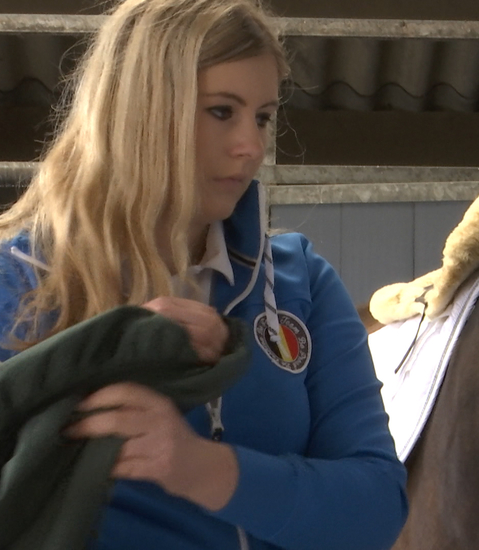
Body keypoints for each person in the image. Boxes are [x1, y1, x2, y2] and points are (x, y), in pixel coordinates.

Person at [0, 0, 408, 548]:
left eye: (262, 116)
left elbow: (379, 506)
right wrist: (100, 352)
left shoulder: (300, 280)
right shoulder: (17, 280)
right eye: (222, 111)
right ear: (141, 111)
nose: (253, 146)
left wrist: (201, 468)